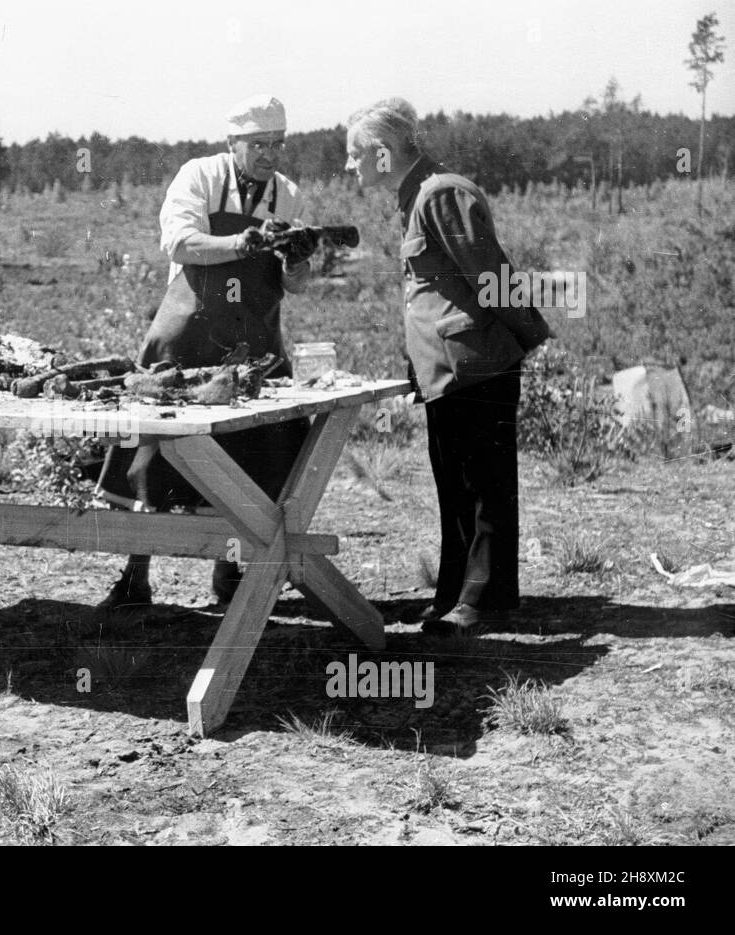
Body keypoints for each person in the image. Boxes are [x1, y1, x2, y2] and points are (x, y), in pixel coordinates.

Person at [96, 94, 318, 608]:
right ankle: (135, 576)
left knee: (252, 459)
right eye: (258, 145)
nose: (269, 155)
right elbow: (180, 244)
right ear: (232, 143)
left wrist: (296, 262)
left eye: (277, 144)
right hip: (186, 334)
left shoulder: (288, 195)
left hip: (255, 342)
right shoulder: (198, 175)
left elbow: (297, 285)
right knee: (151, 458)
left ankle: (232, 574)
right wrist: (244, 244)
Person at [344, 99, 549, 634]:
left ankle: (476, 601)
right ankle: (465, 593)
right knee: (457, 488)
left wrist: (530, 336)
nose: (349, 166)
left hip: (475, 367)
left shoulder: (441, 193)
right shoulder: (415, 196)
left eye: (354, 155)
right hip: (447, 370)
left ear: (382, 154)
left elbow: (491, 274)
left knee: (483, 486)